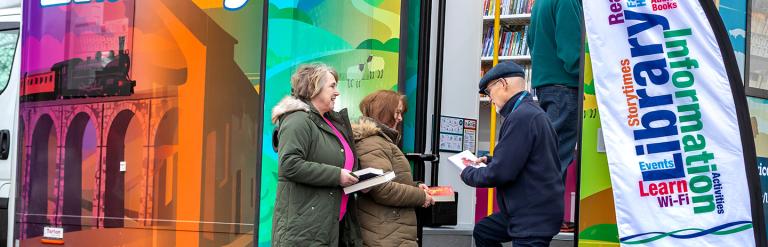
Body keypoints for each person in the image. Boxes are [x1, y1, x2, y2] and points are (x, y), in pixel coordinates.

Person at [462, 62, 563, 247]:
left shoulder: (521, 117)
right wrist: (491, 160)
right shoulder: (531, 113)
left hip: (532, 217)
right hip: (532, 211)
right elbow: (530, 159)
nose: (490, 99)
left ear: (502, 84)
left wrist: (467, 172)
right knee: (484, 231)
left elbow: (500, 173)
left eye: (488, 91)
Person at [271, 63, 363, 247]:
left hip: (329, 228)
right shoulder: (297, 119)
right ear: (313, 88)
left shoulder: (327, 122)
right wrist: (337, 176)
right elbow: (289, 164)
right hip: (304, 232)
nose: (337, 92)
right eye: (332, 86)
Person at [352, 90, 434, 247]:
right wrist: (420, 196)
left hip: (389, 229)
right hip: (386, 232)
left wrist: (415, 186)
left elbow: (389, 179)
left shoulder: (380, 141)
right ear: (382, 111)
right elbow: (382, 189)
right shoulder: (372, 142)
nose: (400, 118)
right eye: (397, 112)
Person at [527, 0, 582, 176]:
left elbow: (531, 42)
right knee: (554, 163)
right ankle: (546, 204)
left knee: (548, 156)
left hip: (545, 87)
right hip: (565, 88)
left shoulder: (539, 3)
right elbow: (572, 54)